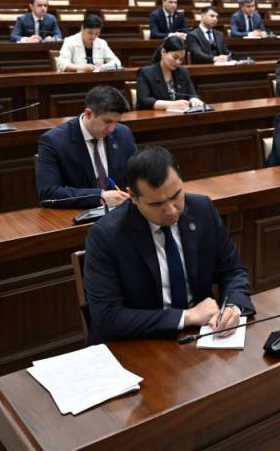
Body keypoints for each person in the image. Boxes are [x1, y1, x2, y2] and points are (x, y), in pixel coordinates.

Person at [83, 146, 253, 343]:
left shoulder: (202, 210)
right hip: (140, 343)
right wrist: (187, 316)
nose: (172, 210)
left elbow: (233, 271)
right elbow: (107, 318)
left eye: (176, 195)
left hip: (200, 337)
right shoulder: (106, 236)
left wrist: (232, 307)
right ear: (133, 197)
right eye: (156, 204)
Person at [36, 85, 136, 208]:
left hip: (120, 211)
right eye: (108, 121)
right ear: (88, 113)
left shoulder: (123, 133)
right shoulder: (54, 141)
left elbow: (137, 173)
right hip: (79, 212)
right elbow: (48, 193)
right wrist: (99, 196)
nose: (112, 129)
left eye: (116, 122)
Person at [136, 37, 204, 111]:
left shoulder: (183, 72)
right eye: (175, 57)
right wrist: (171, 104)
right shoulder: (145, 73)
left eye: (181, 59)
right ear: (163, 52)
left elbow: (192, 94)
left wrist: (194, 99)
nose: (178, 62)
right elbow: (144, 100)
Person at [56, 14, 121, 72]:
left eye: (97, 33)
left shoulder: (102, 43)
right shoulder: (70, 41)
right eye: (90, 33)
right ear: (82, 28)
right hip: (76, 79)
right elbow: (61, 64)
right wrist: (81, 67)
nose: (93, 36)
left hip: (98, 79)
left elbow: (117, 63)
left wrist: (103, 67)